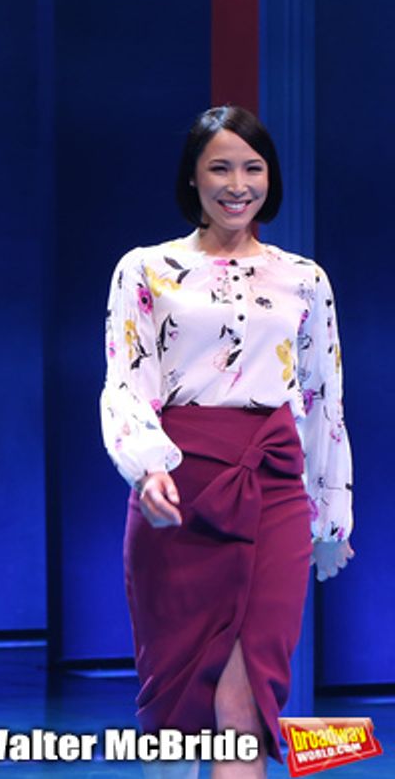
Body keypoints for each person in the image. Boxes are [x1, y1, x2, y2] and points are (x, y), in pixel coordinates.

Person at [100, 106, 354, 777]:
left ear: (270, 177)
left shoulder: (305, 278)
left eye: (252, 168)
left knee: (245, 705)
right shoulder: (145, 269)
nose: (237, 185)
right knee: (177, 709)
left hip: (274, 493)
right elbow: (126, 380)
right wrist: (146, 467)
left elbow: (322, 400)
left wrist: (331, 518)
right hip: (179, 491)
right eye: (220, 168)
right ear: (193, 177)